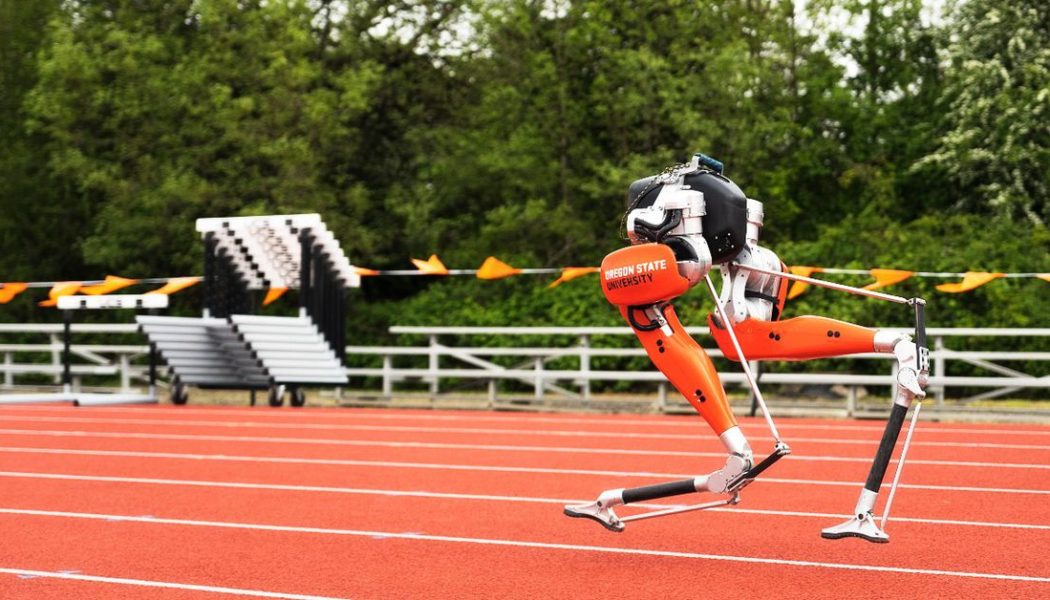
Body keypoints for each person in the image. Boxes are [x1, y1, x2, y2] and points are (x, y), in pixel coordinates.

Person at [564, 154, 927, 539]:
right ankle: (892, 341)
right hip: (752, 255)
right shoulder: (710, 206)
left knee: (650, 320)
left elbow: (649, 232)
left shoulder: (649, 213)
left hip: (695, 255)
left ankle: (737, 450)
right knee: (746, 338)